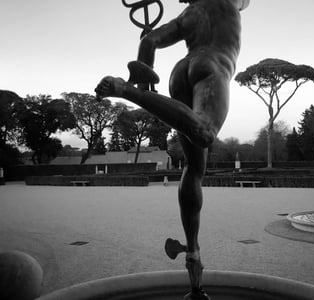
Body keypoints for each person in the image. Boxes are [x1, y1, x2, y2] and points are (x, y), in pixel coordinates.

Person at [95, 0, 249, 298]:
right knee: (204, 133)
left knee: (194, 168)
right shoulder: (230, 4)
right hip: (213, 67)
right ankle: (124, 91)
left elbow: (149, 40)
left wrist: (145, 71)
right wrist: (135, 88)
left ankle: (192, 254)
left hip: (180, 72)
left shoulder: (188, 13)